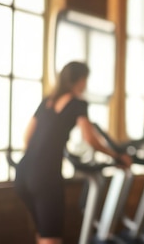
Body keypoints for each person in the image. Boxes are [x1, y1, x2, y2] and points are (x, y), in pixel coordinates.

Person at [14, 61, 132, 244]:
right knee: (51, 237)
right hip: (45, 176)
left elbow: (26, 137)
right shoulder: (78, 103)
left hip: (22, 172)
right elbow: (90, 139)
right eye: (86, 79)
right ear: (80, 80)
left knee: (42, 233)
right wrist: (116, 157)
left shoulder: (47, 101)